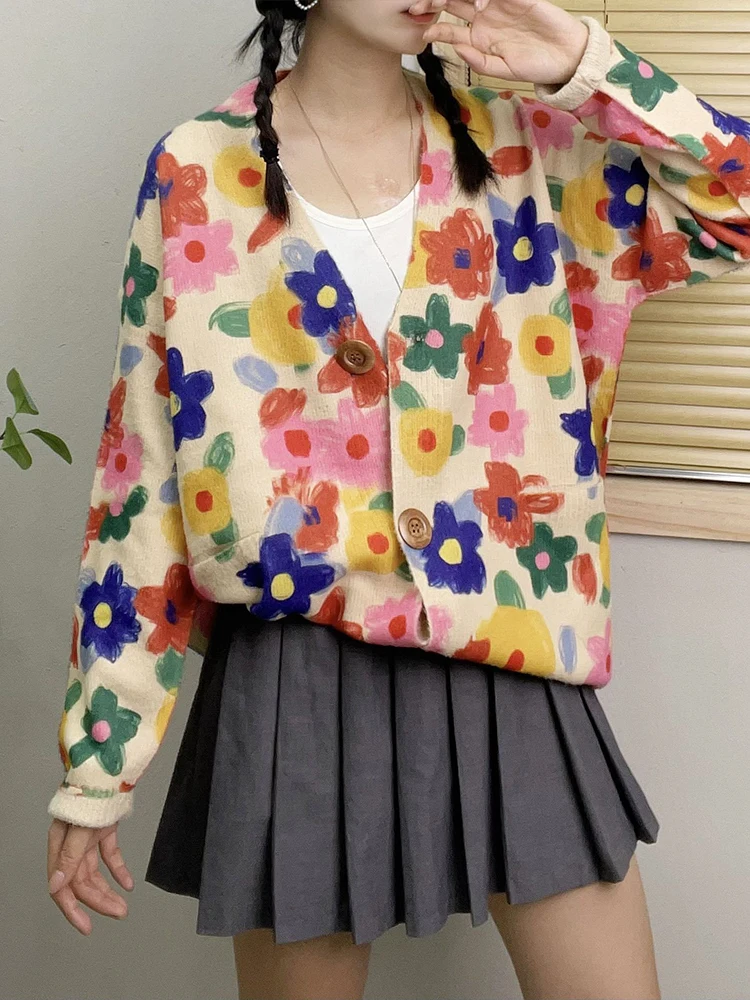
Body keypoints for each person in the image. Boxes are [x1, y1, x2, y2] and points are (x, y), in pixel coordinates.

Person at [46, 0, 750, 997]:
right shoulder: (199, 169)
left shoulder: (522, 150)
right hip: (295, 676)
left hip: (511, 642)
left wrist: (582, 62)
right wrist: (98, 766)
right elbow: (142, 471)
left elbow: (735, 199)